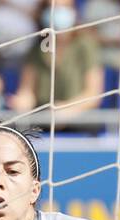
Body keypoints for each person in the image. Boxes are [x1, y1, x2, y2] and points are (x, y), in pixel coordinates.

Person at [9, 0, 105, 128]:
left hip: (78, 117)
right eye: (53, 8)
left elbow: (94, 94)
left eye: (63, 7)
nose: (58, 12)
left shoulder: (85, 45)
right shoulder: (37, 48)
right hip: (45, 117)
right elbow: (27, 90)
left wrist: (67, 110)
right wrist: (23, 101)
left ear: (73, 11)